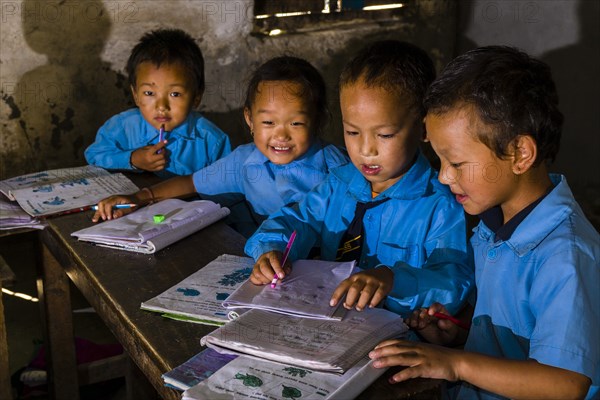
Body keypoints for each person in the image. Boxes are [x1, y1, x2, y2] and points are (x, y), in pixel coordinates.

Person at [368, 46, 599, 399]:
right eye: (440, 160)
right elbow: (513, 339)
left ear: (520, 153)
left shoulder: (564, 255)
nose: (443, 177)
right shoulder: (494, 224)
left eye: (456, 164)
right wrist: (461, 336)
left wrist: (455, 363)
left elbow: (566, 384)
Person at [245, 40, 474, 318]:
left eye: (385, 135)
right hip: (323, 322)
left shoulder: (439, 205)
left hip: (394, 340)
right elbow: (296, 221)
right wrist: (272, 249)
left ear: (424, 127)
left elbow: (455, 283)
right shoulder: (339, 183)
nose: (366, 150)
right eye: (353, 132)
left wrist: (393, 280)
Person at [92, 56, 349, 237]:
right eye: (268, 122)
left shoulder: (336, 166)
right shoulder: (244, 162)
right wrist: (139, 198)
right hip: (269, 262)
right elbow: (192, 183)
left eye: (295, 123)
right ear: (250, 119)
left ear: (317, 121)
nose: (280, 135)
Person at [84, 28, 231, 177]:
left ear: (197, 97)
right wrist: (132, 159)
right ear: (136, 95)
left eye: (175, 94)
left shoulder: (212, 141)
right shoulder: (121, 127)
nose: (161, 106)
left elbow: (227, 186)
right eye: (149, 93)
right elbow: (94, 156)